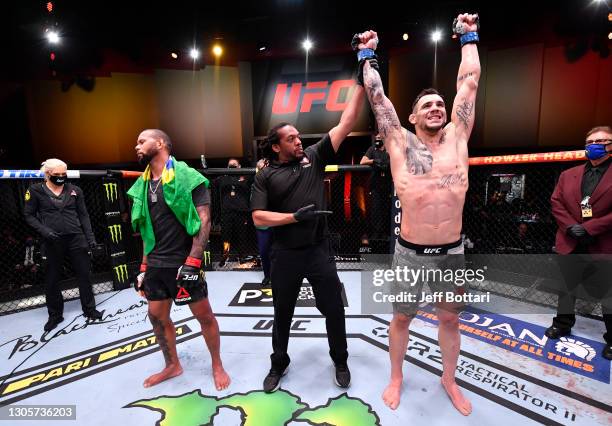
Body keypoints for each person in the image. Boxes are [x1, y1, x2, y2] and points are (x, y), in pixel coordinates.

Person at [357, 13, 480, 414]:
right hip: (410, 252)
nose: (436, 107)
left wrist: (468, 36)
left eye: (440, 104)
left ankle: (449, 378)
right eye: (427, 104)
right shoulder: (399, 142)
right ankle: (396, 377)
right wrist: (367, 54)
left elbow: (470, 82)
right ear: (411, 117)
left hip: (452, 252)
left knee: (449, 320)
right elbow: (377, 97)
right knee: (402, 320)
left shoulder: (458, 136)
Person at [250, 64, 365, 392]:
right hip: (284, 253)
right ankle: (279, 363)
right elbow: (259, 217)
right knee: (282, 312)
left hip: (318, 250)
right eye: (291, 138)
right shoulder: (265, 175)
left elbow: (346, 122)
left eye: (299, 136)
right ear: (276, 146)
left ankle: (340, 358)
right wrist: (292, 218)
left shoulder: (313, 157)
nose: (299, 141)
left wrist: (360, 78)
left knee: (333, 307)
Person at [127, 129, 231, 389]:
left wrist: (193, 261)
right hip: (156, 265)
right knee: (156, 317)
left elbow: (204, 220)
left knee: (204, 316)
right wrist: (143, 266)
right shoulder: (144, 183)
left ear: (160, 143)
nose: (136, 146)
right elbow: (145, 231)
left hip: (184, 261)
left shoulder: (187, 176)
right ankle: (172, 365)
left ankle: (217, 364)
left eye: (142, 141)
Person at [545, 125, 612, 360]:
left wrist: (589, 228)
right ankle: (563, 324)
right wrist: (570, 226)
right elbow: (556, 202)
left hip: (603, 242)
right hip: (570, 240)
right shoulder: (568, 174)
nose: (595, 144)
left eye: (602, 140)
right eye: (591, 141)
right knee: (566, 289)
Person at [23, 158, 102, 331]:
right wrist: (45, 231)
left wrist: (91, 239)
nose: (60, 177)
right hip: (52, 240)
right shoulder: (35, 190)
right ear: (48, 174)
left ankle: (89, 309)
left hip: (76, 238)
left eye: (63, 174)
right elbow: (29, 215)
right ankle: (55, 315)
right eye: (56, 174)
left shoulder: (75, 190)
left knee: (84, 275)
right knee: (51, 279)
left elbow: (84, 216)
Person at [216, 158, 253, 267]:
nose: (232, 167)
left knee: (242, 235)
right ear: (227, 168)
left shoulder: (245, 178)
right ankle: (225, 256)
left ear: (239, 167)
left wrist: (241, 178)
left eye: (234, 166)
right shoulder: (223, 179)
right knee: (226, 236)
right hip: (227, 212)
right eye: (230, 166)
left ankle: (242, 257)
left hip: (241, 212)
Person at [360, 134, 392, 239]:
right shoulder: (372, 149)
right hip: (375, 185)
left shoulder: (389, 149)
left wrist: (388, 163)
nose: (377, 140)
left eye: (379, 139)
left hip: (388, 185)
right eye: (376, 138)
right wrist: (373, 161)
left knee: (386, 210)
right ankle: (375, 235)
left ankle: (385, 234)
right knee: (375, 210)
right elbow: (362, 162)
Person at [254, 158, 272, 286]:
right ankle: (267, 276)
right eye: (261, 168)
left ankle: (282, 275)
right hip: (263, 225)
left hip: (278, 222)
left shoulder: (278, 181)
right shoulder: (255, 185)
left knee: (281, 251)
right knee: (264, 251)